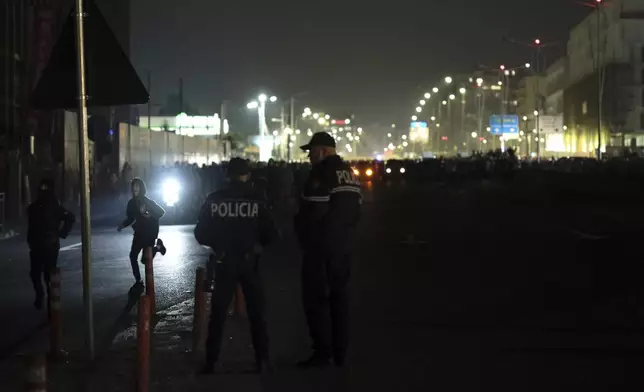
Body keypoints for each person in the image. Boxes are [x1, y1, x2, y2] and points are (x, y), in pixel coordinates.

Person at [194, 158, 277, 374]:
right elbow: (272, 233)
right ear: (247, 175)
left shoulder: (215, 200)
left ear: (227, 176)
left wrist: (218, 245)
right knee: (257, 313)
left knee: (219, 314)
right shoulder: (257, 200)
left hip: (224, 262)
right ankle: (262, 359)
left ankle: (211, 361)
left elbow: (200, 233)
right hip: (250, 262)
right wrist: (257, 244)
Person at [294, 132, 362, 368]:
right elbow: (356, 213)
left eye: (311, 152)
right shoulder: (350, 174)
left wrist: (304, 238)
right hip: (344, 247)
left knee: (315, 300)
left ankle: (323, 351)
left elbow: (312, 213)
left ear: (322, 151)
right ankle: (340, 352)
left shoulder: (321, 174)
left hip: (320, 249)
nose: (309, 157)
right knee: (340, 300)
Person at [27, 179, 75, 310]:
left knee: (49, 276)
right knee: (35, 274)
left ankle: (52, 308)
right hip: (37, 246)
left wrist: (62, 233)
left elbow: (70, 217)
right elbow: (31, 226)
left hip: (50, 245)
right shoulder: (34, 207)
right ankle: (41, 295)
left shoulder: (54, 206)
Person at [117, 178, 167, 286]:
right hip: (139, 232)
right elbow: (130, 218)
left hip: (150, 232)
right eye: (133, 186)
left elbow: (161, 212)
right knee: (133, 256)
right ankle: (138, 280)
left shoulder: (148, 201)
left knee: (145, 260)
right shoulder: (131, 203)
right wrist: (122, 225)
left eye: (137, 186)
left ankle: (157, 247)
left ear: (141, 188)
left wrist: (151, 215)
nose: (135, 189)